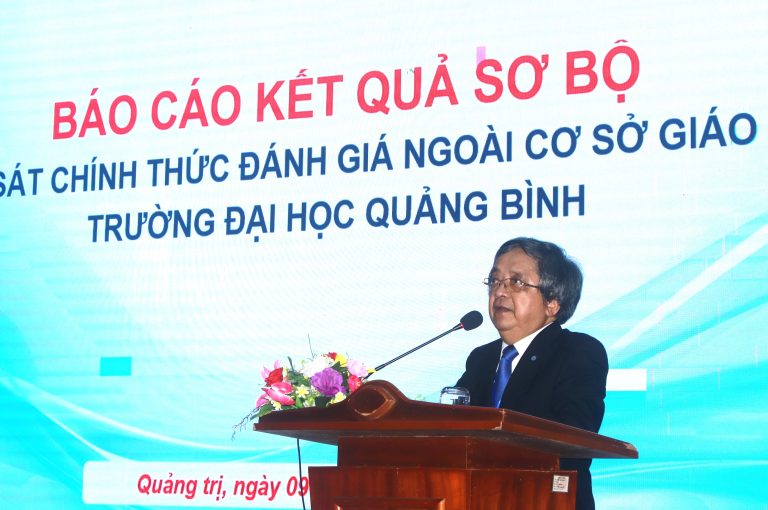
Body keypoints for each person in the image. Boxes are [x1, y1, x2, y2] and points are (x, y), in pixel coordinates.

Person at [456, 237, 608, 510]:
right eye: (495, 281)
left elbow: (574, 438)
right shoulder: (481, 359)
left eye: (516, 282)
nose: (500, 292)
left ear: (553, 302)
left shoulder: (577, 351)